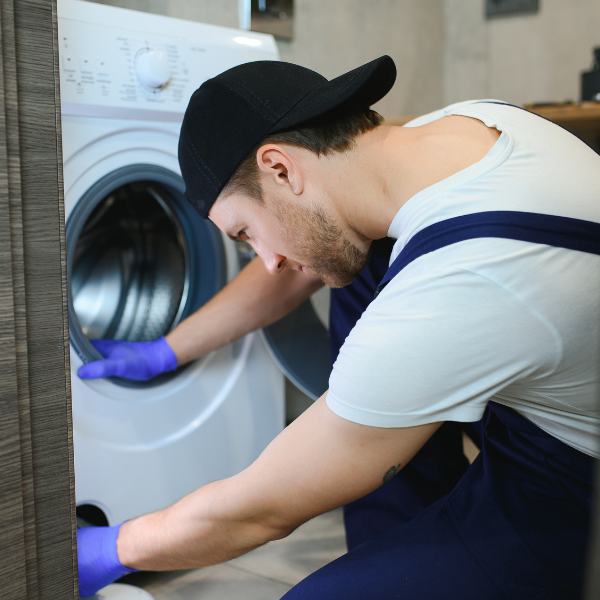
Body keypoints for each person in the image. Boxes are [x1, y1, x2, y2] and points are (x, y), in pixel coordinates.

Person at [77, 56, 600, 599]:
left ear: (280, 168)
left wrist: (113, 548)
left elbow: (262, 511)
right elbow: (302, 254)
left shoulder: (470, 273)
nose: (268, 260)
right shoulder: (464, 129)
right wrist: (168, 348)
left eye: (246, 232)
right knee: (347, 265)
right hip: (557, 383)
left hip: (577, 486)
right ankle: (405, 540)